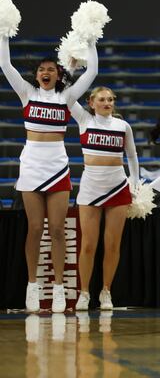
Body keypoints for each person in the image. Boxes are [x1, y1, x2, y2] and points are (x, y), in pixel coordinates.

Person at [0, 34, 97, 313]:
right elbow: (5, 64)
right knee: (34, 228)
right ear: (37, 74)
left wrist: (90, 39)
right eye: (42, 69)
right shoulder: (27, 94)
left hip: (57, 166)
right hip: (30, 164)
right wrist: (4, 32)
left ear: (58, 74)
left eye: (51, 69)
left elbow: (92, 71)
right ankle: (32, 285)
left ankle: (58, 288)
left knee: (57, 230)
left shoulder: (66, 97)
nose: (46, 72)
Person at [73, 87, 139, 310]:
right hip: (91, 186)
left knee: (112, 244)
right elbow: (68, 97)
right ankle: (84, 292)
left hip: (117, 186)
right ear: (91, 102)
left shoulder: (123, 126)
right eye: (102, 99)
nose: (107, 102)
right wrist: (70, 67)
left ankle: (106, 291)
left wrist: (135, 184)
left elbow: (132, 155)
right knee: (89, 245)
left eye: (110, 99)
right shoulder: (84, 119)